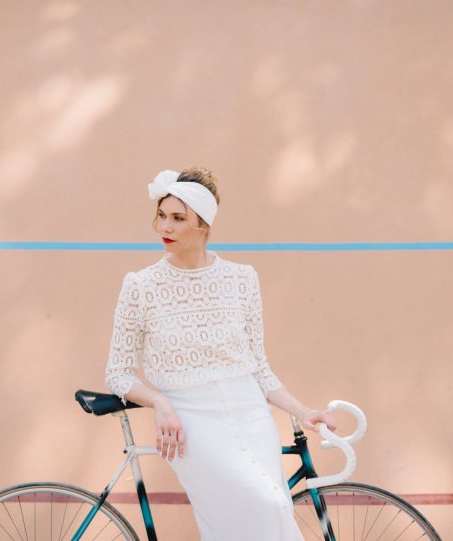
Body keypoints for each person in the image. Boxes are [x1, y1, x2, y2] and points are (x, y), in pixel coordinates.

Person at [105, 167, 337, 541]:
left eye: (178, 218)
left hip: (250, 414)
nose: (165, 226)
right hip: (189, 424)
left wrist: (304, 411)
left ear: (204, 226)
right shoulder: (140, 286)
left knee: (266, 512)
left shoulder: (243, 279)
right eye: (162, 215)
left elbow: (259, 368)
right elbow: (117, 373)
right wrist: (159, 401)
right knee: (269, 505)